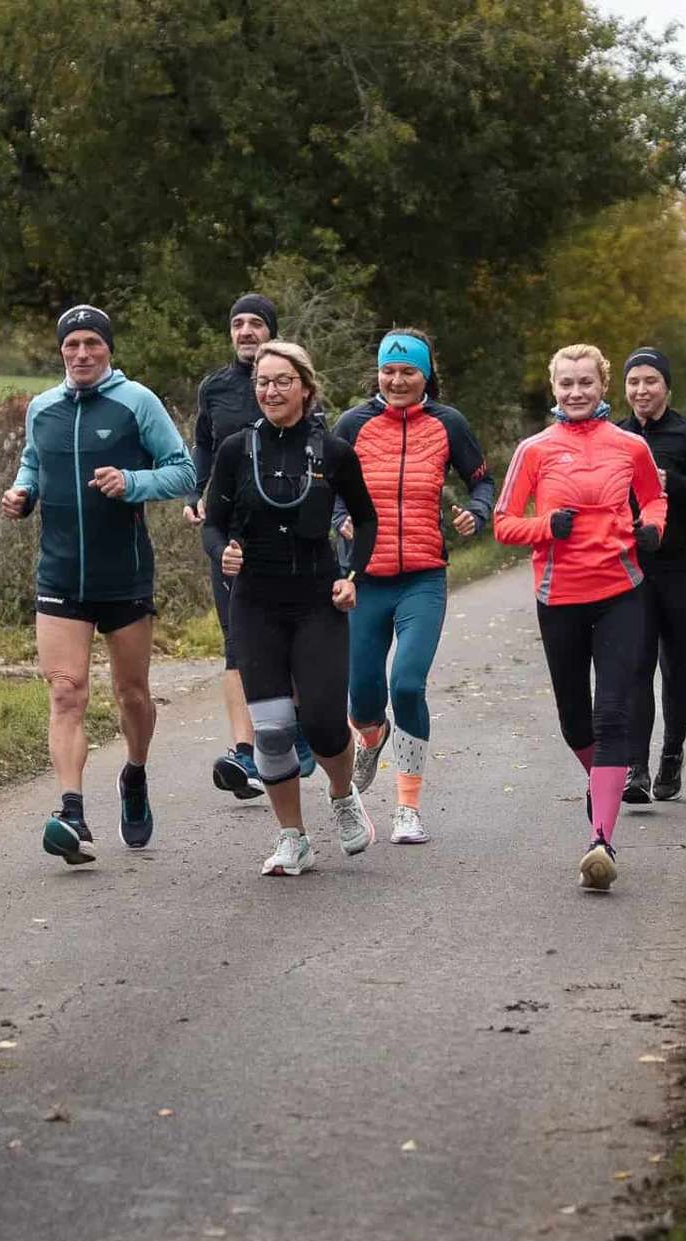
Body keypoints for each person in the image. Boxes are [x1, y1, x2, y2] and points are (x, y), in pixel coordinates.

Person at [1, 304, 196, 863]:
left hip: (124, 573)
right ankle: (73, 813)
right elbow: (33, 464)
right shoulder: (42, 408)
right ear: (60, 351)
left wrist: (132, 480)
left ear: (108, 348)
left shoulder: (137, 402)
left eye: (92, 344)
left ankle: (134, 774)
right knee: (66, 691)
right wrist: (23, 493)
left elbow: (184, 470)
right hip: (59, 573)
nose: (82, 354)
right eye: (71, 345)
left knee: (132, 694)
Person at [202, 341, 380, 876]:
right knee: (274, 730)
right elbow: (213, 523)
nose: (270, 391)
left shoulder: (333, 452)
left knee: (325, 723)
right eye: (262, 381)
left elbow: (366, 521)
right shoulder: (236, 450)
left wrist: (353, 575)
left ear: (305, 385)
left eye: (282, 381)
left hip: (317, 601)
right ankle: (291, 837)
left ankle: (344, 796)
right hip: (255, 602)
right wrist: (223, 551)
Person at [493, 343, 666, 891]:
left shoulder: (630, 446)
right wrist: (547, 527)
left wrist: (654, 529)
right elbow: (503, 523)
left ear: (602, 387)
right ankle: (604, 783)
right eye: (566, 384)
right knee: (575, 722)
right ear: (554, 388)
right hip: (559, 597)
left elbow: (655, 499)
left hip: (621, 591)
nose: (575, 393)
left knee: (612, 714)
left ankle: (601, 840)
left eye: (585, 383)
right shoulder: (534, 449)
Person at [332, 329, 494, 844]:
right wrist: (341, 519)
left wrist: (477, 511)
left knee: (406, 684)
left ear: (426, 375)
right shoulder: (353, 424)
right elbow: (326, 486)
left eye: (408, 371)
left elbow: (482, 480)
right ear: (377, 372)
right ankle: (371, 738)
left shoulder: (449, 424)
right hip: (364, 579)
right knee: (361, 699)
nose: (397, 380)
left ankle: (408, 807)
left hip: (423, 577)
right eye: (388, 371)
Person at [185, 293, 315, 797]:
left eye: (255, 323)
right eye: (237, 323)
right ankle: (245, 753)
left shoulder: (291, 384)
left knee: (286, 638)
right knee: (236, 640)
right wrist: (198, 492)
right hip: (228, 533)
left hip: (285, 533)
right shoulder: (214, 388)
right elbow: (203, 444)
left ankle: (297, 730)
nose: (245, 332)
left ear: (272, 333)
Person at [614, 348, 686, 804]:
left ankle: (672, 756)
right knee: (637, 667)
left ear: (667, 386)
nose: (642, 390)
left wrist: (675, 483)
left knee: (677, 669)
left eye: (651, 381)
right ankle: (636, 770)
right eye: (634, 382)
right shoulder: (615, 435)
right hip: (634, 570)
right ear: (623, 388)